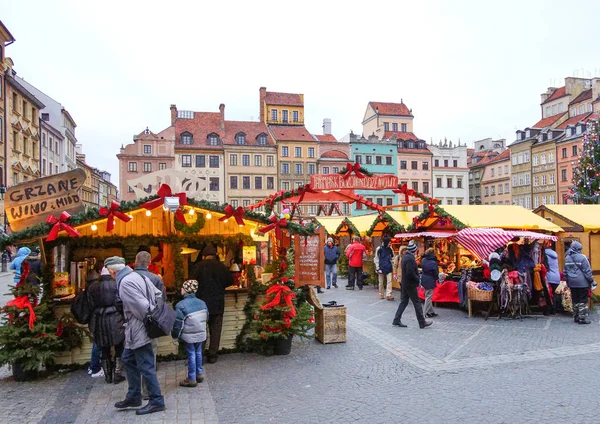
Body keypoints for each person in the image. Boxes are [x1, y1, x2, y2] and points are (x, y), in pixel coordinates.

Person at [106, 256, 165, 415]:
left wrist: (147, 319)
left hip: (139, 329)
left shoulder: (125, 282)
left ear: (112, 271)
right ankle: (133, 396)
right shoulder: (138, 276)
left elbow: (141, 307)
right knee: (128, 359)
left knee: (146, 364)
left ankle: (156, 400)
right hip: (137, 328)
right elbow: (158, 294)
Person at [190, 246, 233, 364]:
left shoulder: (198, 266)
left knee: (201, 330)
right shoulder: (222, 267)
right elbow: (230, 281)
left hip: (201, 304)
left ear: (203, 256)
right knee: (216, 330)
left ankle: (200, 354)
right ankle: (212, 355)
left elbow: (191, 282)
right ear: (215, 255)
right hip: (218, 303)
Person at [87, 266, 126, 384]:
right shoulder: (117, 284)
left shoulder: (93, 287)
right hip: (116, 318)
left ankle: (108, 375)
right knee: (119, 346)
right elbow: (121, 302)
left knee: (104, 348)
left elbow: (90, 304)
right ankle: (117, 374)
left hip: (99, 319)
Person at [172, 279, 208, 387]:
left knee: (191, 353)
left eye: (182, 288)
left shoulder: (181, 305)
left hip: (189, 335)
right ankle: (199, 374)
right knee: (198, 352)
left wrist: (175, 335)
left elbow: (178, 324)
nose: (181, 289)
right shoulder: (203, 303)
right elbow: (207, 317)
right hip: (201, 333)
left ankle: (192, 378)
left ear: (186, 290)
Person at [392, 241, 432, 329]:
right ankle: (422, 322)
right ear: (414, 251)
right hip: (410, 284)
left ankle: (396, 319)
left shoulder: (405, 257)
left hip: (405, 282)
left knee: (404, 301)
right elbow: (410, 272)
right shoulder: (410, 259)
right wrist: (418, 279)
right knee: (417, 302)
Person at [564, 241, 594, 325]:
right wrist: (591, 280)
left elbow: (565, 271)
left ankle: (576, 316)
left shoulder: (567, 258)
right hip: (582, 282)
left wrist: (567, 280)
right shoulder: (583, 258)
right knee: (583, 300)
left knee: (575, 300)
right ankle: (582, 318)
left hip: (572, 282)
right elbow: (587, 271)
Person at [420, 248, 439, 318]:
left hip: (424, 279)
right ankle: (424, 313)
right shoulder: (434, 263)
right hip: (430, 280)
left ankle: (431, 312)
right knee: (428, 297)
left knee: (427, 296)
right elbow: (435, 273)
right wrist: (437, 278)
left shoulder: (423, 260)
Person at [374, 236, 395, 300]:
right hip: (381, 267)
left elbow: (392, 257)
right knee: (381, 282)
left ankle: (388, 294)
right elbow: (376, 258)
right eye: (389, 242)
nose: (390, 244)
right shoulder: (379, 249)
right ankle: (381, 294)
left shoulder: (390, 249)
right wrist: (377, 268)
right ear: (386, 242)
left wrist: (393, 265)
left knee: (389, 281)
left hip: (388, 267)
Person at [544, 244, 561, 312]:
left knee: (548, 294)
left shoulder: (546, 256)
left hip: (549, 277)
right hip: (557, 276)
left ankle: (551, 308)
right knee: (555, 293)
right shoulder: (555, 255)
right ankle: (555, 308)